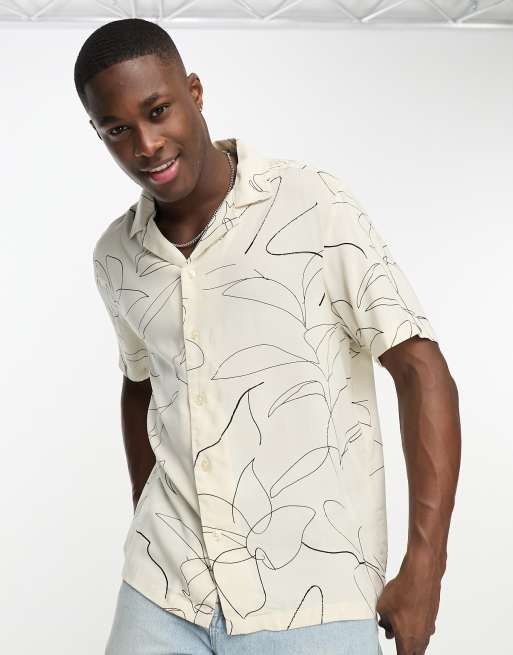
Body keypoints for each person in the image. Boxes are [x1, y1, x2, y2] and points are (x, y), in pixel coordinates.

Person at [74, 17, 461, 655]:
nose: (146, 144)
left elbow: (421, 369)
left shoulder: (313, 204)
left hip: (313, 596)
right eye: (117, 129)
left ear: (194, 92)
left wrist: (426, 569)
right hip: (162, 593)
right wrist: (148, 519)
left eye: (158, 110)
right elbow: (141, 383)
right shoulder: (116, 255)